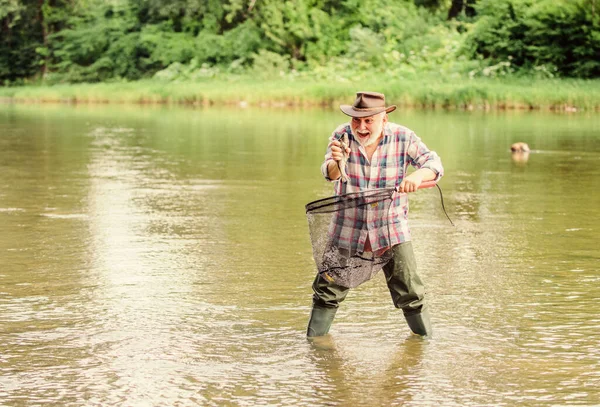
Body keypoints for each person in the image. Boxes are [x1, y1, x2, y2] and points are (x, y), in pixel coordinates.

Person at [307, 91, 444, 338]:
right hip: (347, 227)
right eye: (356, 120)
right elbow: (330, 173)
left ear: (384, 119)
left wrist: (416, 176)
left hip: (391, 228)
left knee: (410, 292)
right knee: (327, 291)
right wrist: (337, 161)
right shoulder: (341, 135)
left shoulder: (403, 137)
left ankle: (425, 344)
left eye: (368, 120)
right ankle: (315, 346)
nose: (361, 127)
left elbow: (433, 165)